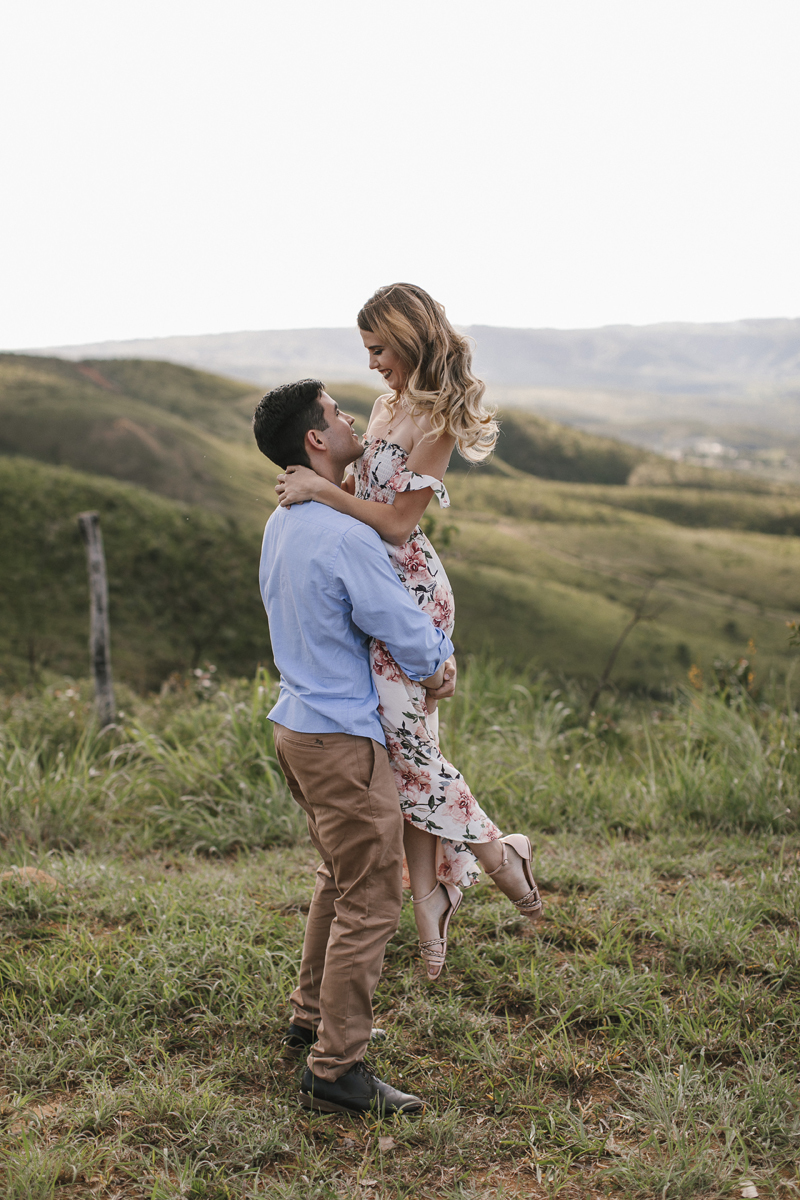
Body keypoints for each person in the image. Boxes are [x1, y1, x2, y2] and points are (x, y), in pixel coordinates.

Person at [275, 283, 542, 982]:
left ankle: (491, 853)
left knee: (407, 747)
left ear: (407, 338)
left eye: (378, 350)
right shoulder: (388, 406)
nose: (371, 367)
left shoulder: (440, 418)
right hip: (369, 586)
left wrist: (320, 489)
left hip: (410, 592)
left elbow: (397, 522)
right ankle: (432, 898)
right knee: (402, 751)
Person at [253, 378, 457, 1117]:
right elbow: (400, 627)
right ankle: (337, 1067)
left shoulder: (283, 522)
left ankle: (309, 1017)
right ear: (315, 441)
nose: (349, 421)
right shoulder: (346, 534)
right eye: (337, 414)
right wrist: (441, 663)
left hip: (295, 726)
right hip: (342, 738)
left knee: (338, 879)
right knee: (372, 896)